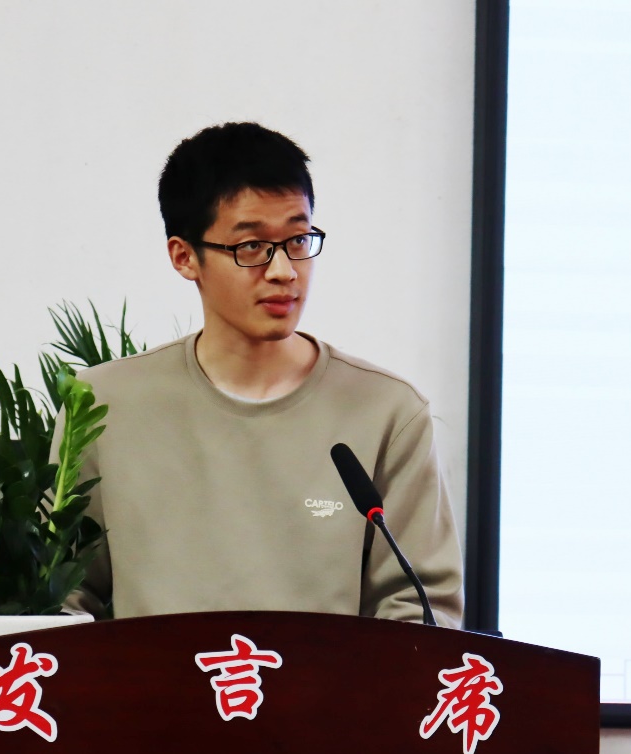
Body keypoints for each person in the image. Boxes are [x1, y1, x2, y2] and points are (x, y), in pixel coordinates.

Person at [58, 122, 463, 627]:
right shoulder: (104, 405)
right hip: (151, 683)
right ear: (184, 257)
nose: (284, 271)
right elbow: (62, 595)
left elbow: (419, 608)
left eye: (298, 239)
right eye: (251, 246)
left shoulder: (386, 412)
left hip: (328, 683)